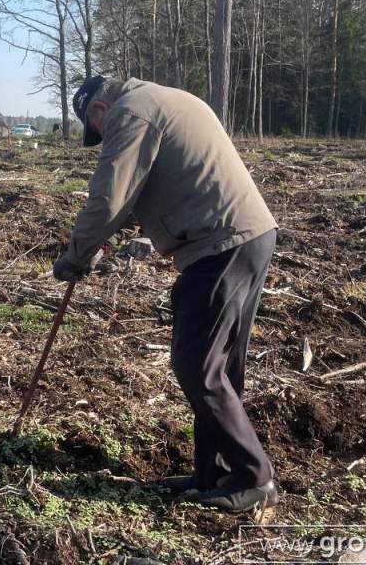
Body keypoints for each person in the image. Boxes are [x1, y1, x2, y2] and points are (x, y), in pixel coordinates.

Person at [53, 76, 279, 512]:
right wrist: (102, 240)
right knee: (219, 367)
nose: (100, 137)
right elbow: (146, 188)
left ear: (98, 111)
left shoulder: (130, 112)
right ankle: (213, 474)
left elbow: (109, 197)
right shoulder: (165, 99)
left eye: (95, 131)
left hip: (219, 244)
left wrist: (75, 256)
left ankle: (254, 478)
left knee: (198, 365)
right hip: (248, 235)